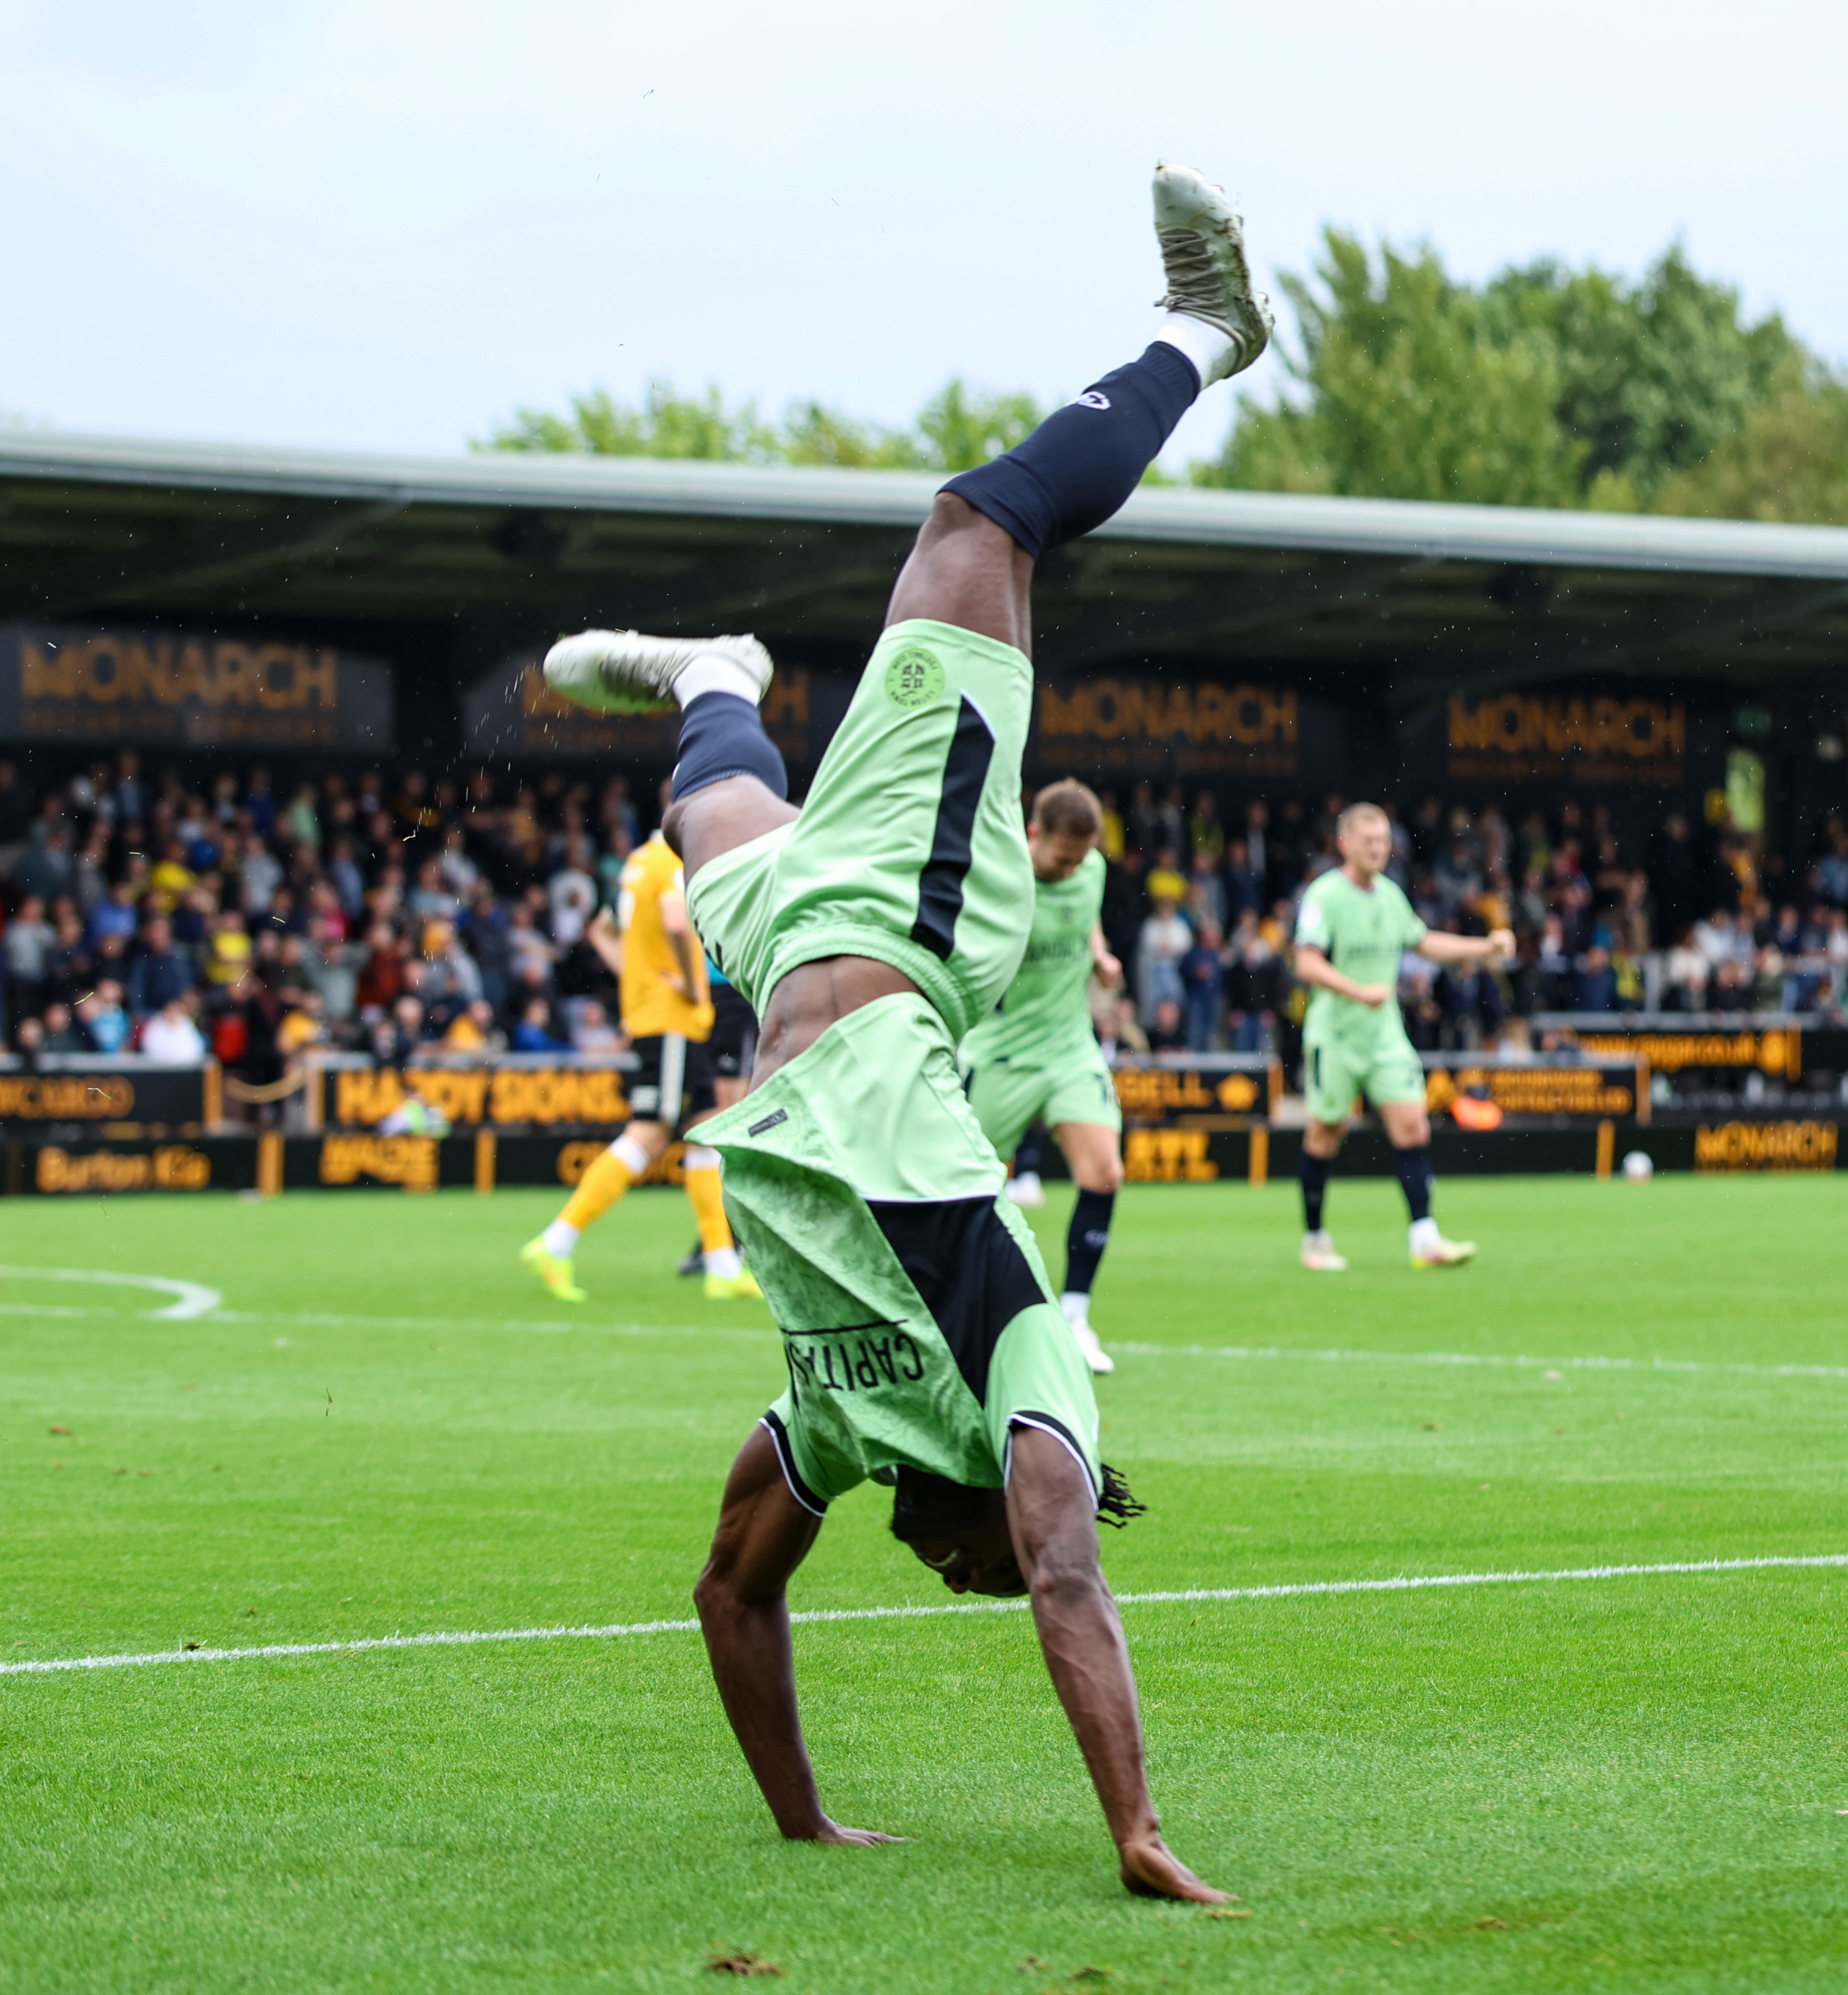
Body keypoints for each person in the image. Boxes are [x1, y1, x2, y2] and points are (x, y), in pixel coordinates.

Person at [532, 163, 1263, 1902]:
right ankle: (1207, 331)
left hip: (788, 970)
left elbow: (731, 1585)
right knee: (970, 528)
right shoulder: (1025, 1392)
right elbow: (1065, 1577)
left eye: (967, 1573)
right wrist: (1131, 1826)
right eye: (980, 1570)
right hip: (914, 924)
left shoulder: (851, 1428)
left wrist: (800, 1815)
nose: (965, 1574)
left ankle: (716, 676)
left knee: (712, 816)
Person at [522, 829, 761, 1302]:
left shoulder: (638, 864)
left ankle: (721, 1266)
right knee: (649, 1133)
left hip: (669, 1020)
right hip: (670, 1020)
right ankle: (556, 1242)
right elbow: (677, 920)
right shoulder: (670, 863)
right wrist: (691, 982)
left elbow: (602, 930)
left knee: (705, 1133)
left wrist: (642, 980)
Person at [1293, 803, 1516, 1271]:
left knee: (1413, 1125)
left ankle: (1424, 1239)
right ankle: (1314, 1239)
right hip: (1336, 1036)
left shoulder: (1391, 894)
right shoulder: (1324, 895)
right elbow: (1306, 962)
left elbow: (1423, 941)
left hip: (1385, 1036)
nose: (1378, 848)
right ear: (1344, 844)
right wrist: (1359, 992)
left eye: (1383, 840)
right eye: (1368, 841)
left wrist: (1484, 947)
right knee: (1326, 1132)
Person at [959, 779, 1124, 1374]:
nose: (1073, 867)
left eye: (1082, 857)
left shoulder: (1092, 870)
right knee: (961, 1190)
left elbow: (1086, 916)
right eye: (1063, 857)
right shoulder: (994, 882)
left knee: (1104, 1172)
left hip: (1070, 1048)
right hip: (999, 1053)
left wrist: (1099, 955)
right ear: (1033, 834)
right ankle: (963, 1315)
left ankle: (1074, 1317)